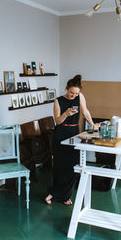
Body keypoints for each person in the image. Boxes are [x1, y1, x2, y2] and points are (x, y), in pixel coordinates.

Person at [45, 74, 99, 205]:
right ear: (66, 88)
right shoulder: (58, 101)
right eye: (71, 93)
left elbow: (85, 112)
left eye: (76, 93)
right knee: (59, 166)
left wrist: (92, 125)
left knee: (72, 166)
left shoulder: (80, 97)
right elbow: (57, 121)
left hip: (74, 133)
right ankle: (54, 192)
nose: (73, 96)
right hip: (61, 134)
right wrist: (66, 114)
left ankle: (65, 195)